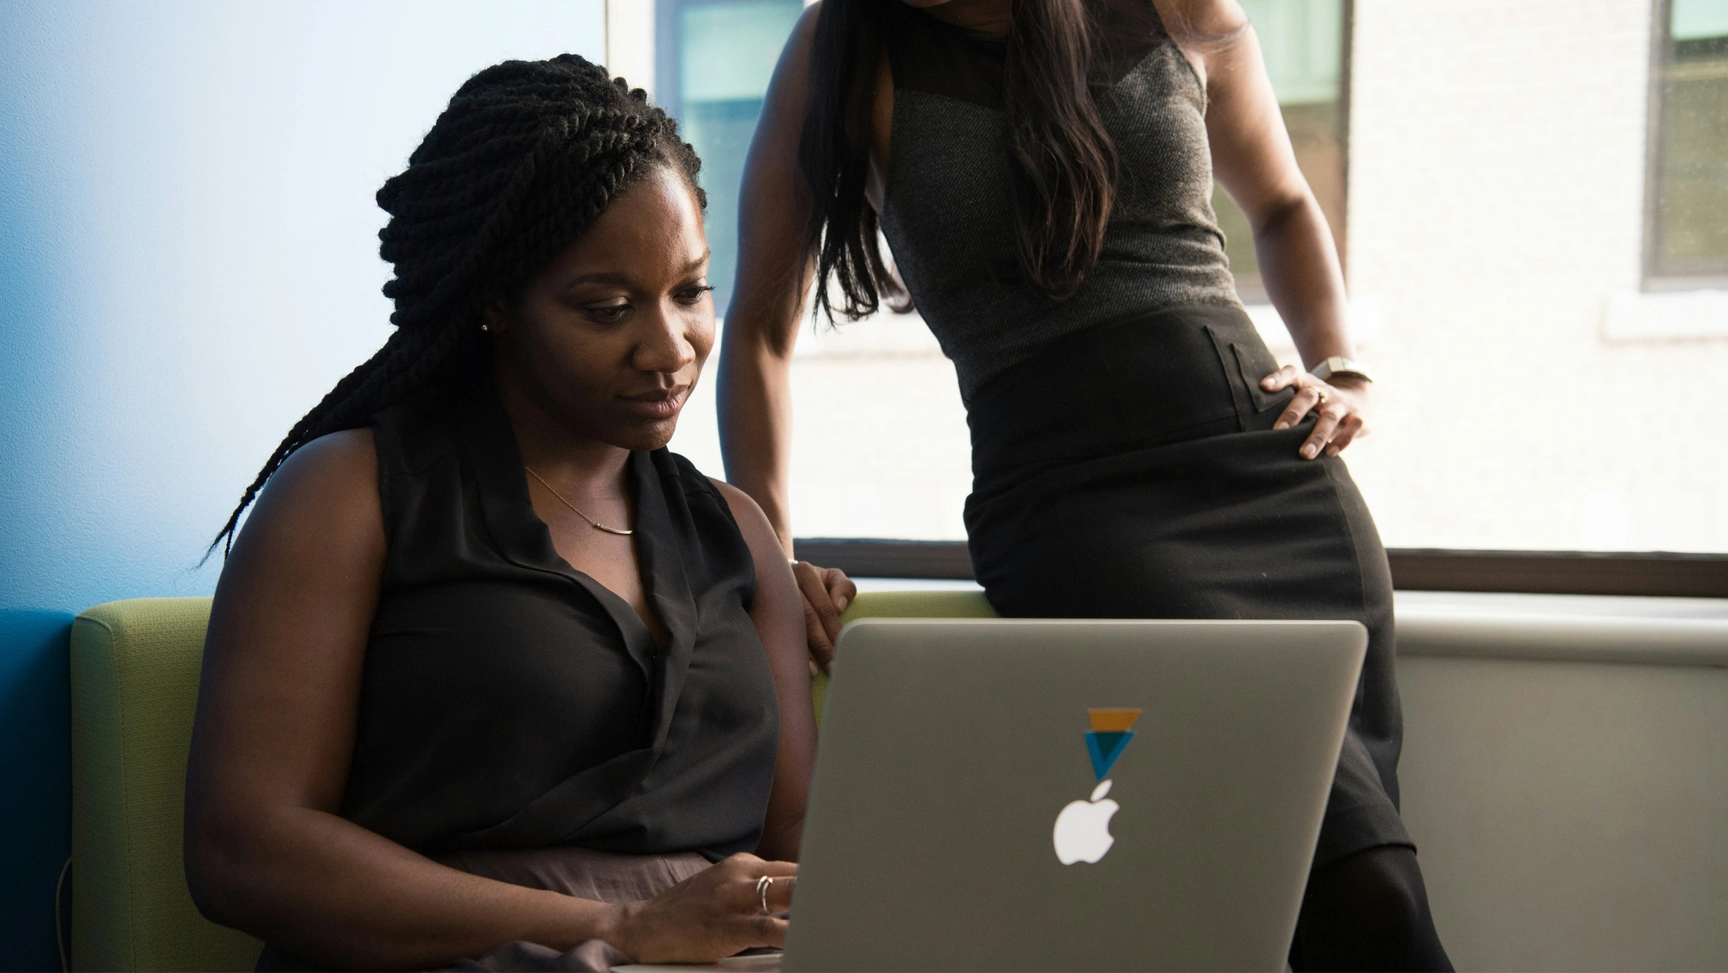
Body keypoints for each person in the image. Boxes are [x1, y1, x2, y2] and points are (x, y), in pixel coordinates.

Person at [718, 0, 1454, 969]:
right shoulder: (841, 45)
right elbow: (760, 331)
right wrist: (773, 559)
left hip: (1273, 479)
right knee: (1353, 895)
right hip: (1075, 515)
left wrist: (1343, 365)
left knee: (1323, 895)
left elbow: (1280, 204)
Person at [183, 55, 815, 973]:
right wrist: (624, 928)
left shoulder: (736, 532)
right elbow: (244, 850)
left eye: (690, 291)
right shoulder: (348, 494)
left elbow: (801, 836)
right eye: (608, 308)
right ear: (494, 304)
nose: (670, 347)